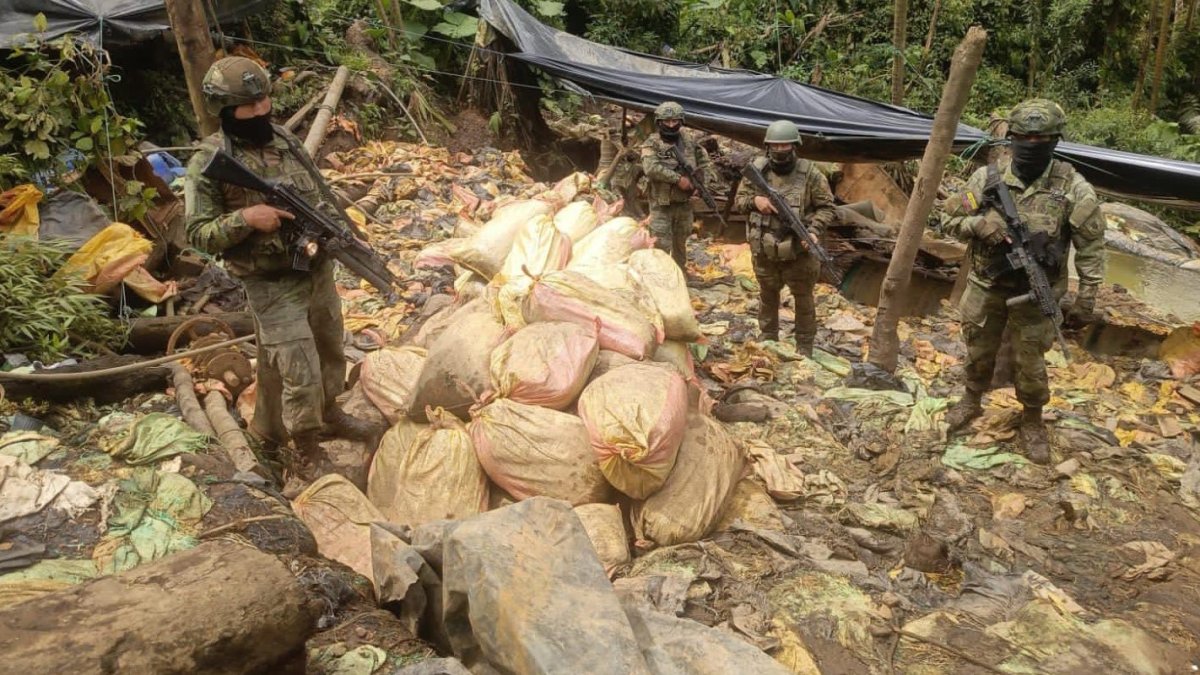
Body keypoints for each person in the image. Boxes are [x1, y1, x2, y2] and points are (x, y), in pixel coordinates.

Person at [184, 56, 375, 475]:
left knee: (328, 349)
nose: (260, 112)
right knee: (297, 366)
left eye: (263, 101)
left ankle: (326, 414)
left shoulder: (285, 141)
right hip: (269, 282)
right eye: (247, 107)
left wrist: (347, 233)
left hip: (315, 269)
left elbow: (321, 195)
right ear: (224, 110)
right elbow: (197, 234)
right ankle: (304, 448)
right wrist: (246, 219)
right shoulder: (210, 162)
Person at [941, 98, 1105, 464]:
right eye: (1024, 138)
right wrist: (977, 225)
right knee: (979, 349)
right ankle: (970, 400)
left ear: (1055, 141)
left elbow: (1091, 246)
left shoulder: (1073, 188)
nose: (1032, 146)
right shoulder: (986, 178)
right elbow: (947, 220)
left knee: (1030, 361)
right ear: (1011, 138)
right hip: (987, 285)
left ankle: (1032, 420)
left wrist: (1087, 297)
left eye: (1041, 140)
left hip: (1035, 293)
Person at [732, 120, 836, 356]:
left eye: (785, 146)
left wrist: (813, 230)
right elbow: (740, 201)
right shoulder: (758, 170)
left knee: (804, 300)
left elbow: (828, 208)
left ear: (794, 146)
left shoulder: (810, 174)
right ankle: (768, 339)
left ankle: (805, 346)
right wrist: (755, 202)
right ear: (768, 147)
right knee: (767, 296)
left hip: (798, 253)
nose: (780, 151)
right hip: (765, 249)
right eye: (775, 146)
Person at [639, 101, 718, 269]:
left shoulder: (688, 141)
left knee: (681, 242)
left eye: (675, 121)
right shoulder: (652, 143)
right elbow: (650, 168)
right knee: (660, 244)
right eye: (666, 122)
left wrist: (701, 182)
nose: (671, 125)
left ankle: (680, 275)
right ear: (659, 122)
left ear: (681, 121)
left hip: (684, 204)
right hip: (662, 204)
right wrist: (677, 179)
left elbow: (705, 163)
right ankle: (659, 278)